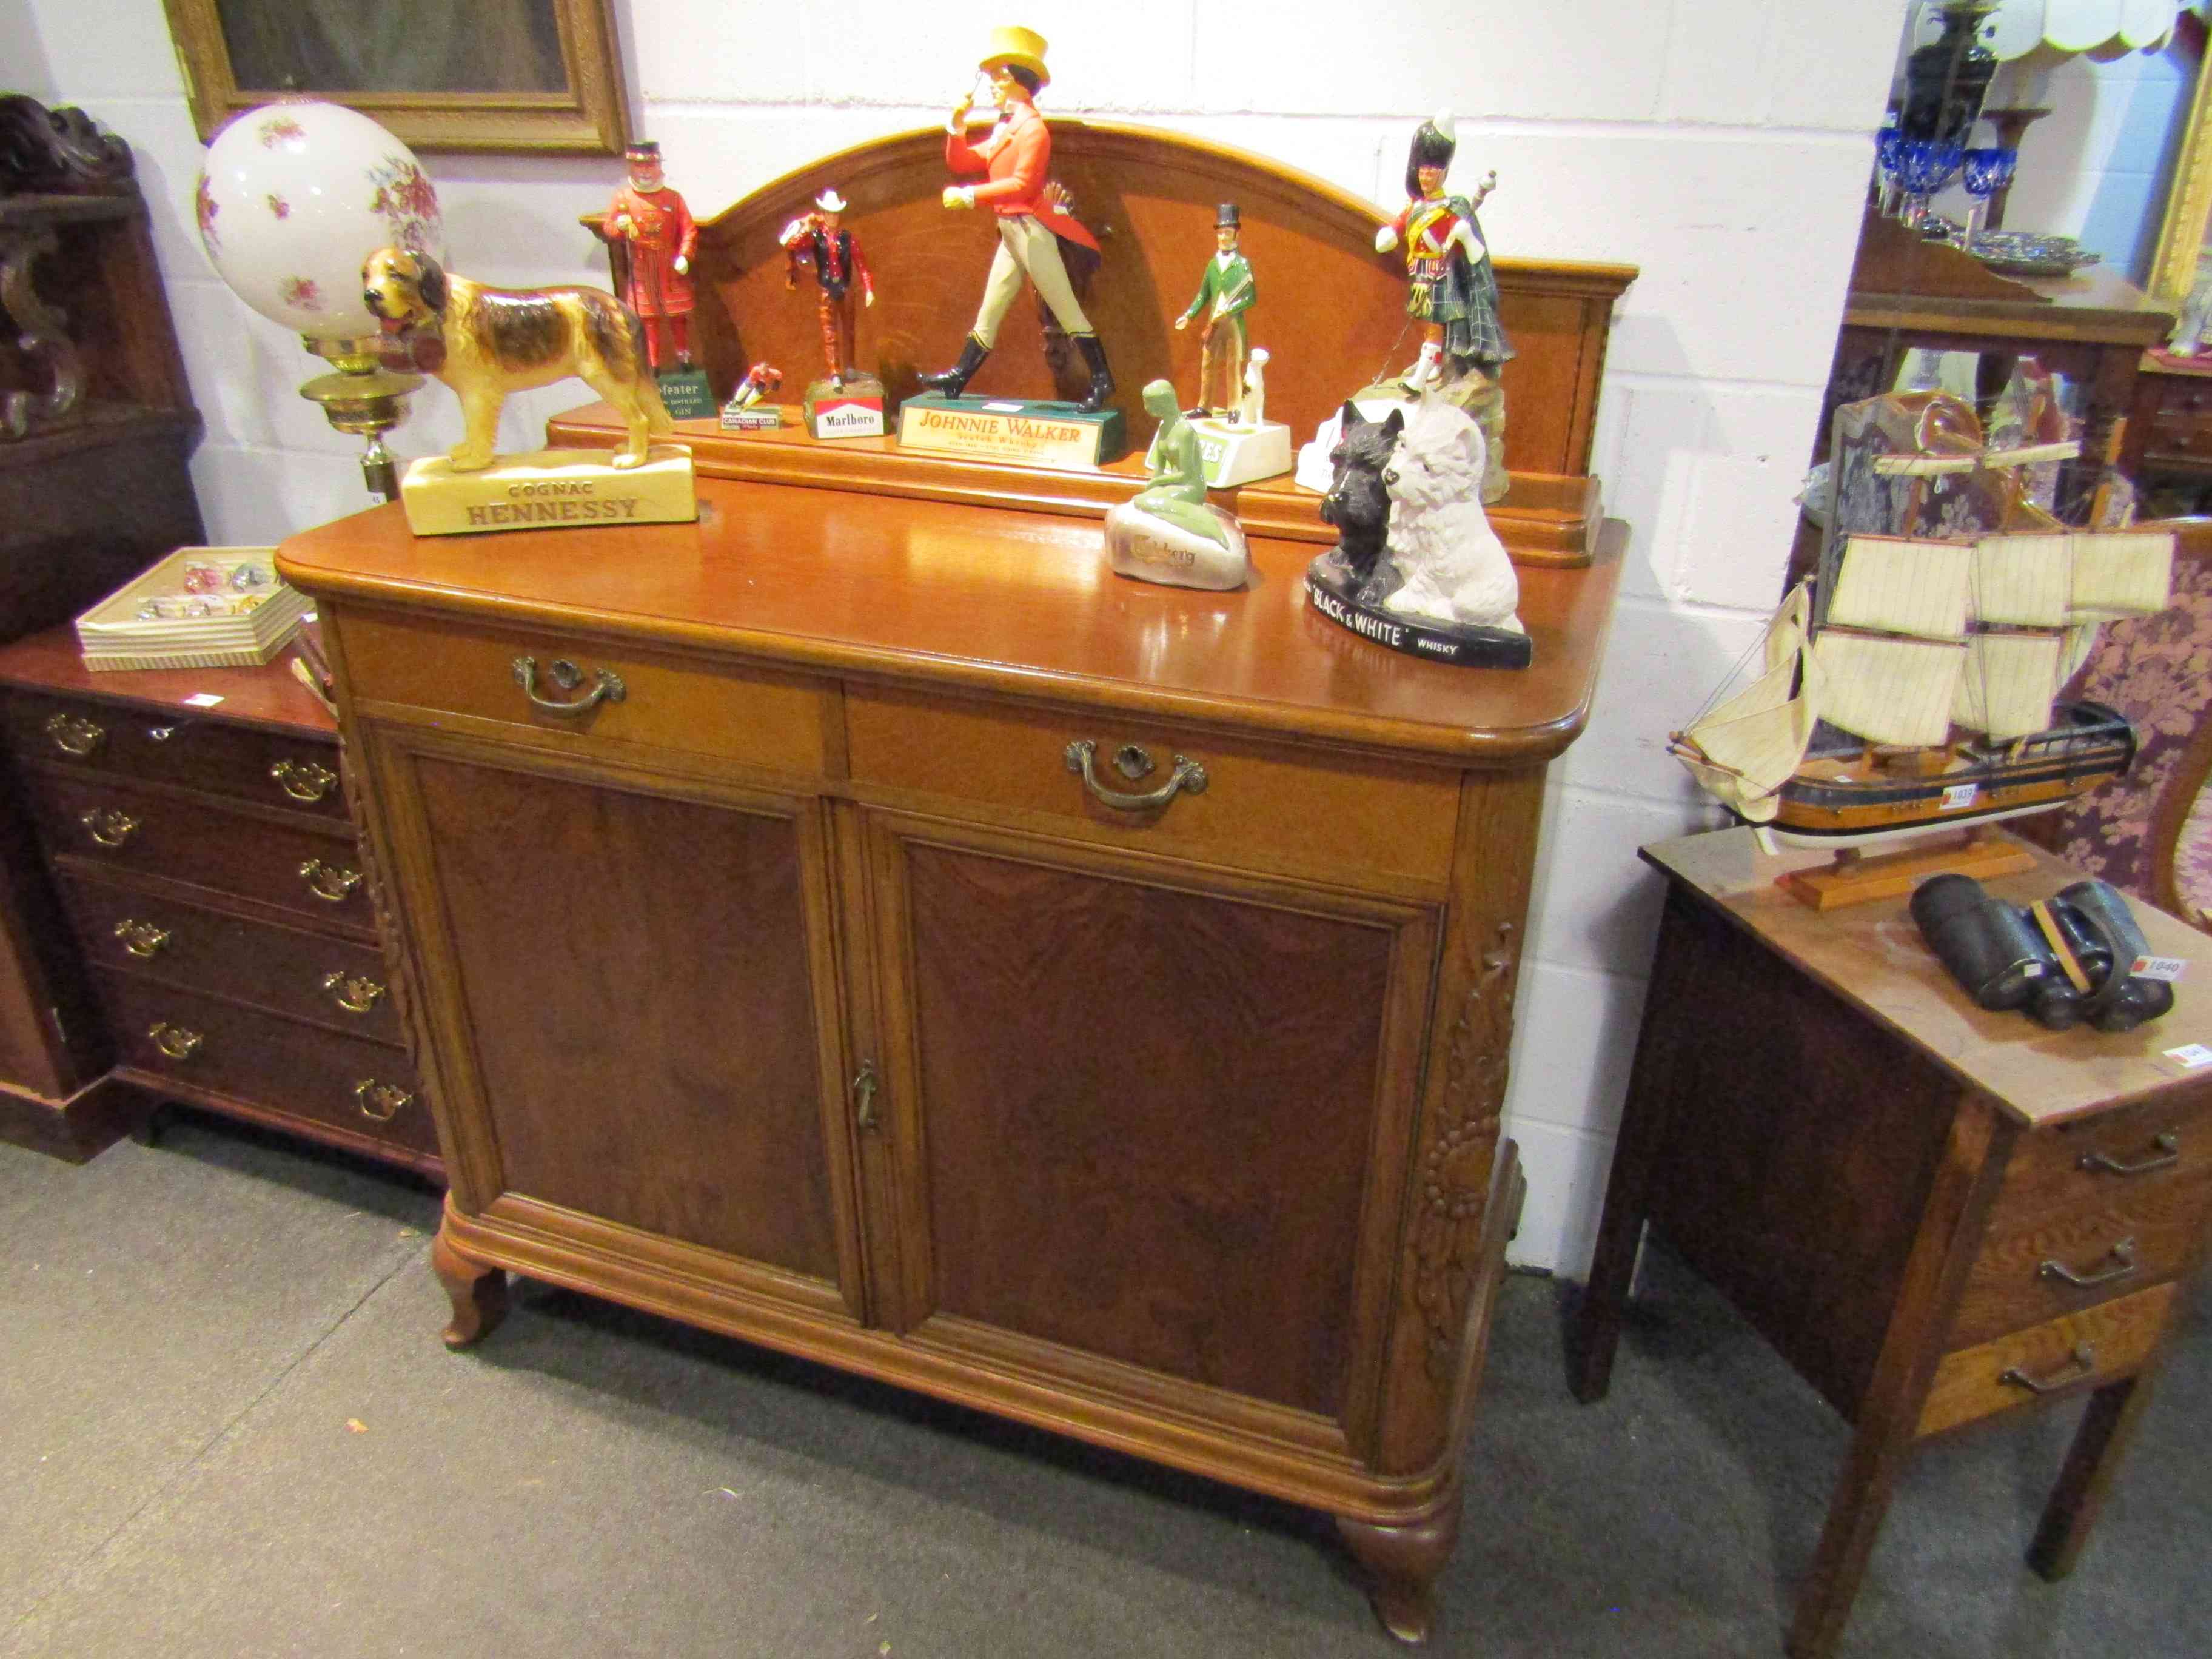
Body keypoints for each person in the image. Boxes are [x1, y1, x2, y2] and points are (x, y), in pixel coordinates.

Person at [919, 26, 1114, 412]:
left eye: (1001, 77)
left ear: (1021, 83)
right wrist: (956, 126)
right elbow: (961, 162)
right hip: (1010, 233)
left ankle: (1103, 378)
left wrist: (970, 195)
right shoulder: (1005, 129)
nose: (993, 84)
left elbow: (1024, 185)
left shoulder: (1033, 131)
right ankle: (959, 376)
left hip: (1030, 231)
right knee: (990, 310)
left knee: (1066, 309)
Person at [1374, 113, 1511, 390]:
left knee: (1435, 324)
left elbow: (1475, 254)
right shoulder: (1414, 207)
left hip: (1441, 273)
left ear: (1443, 173)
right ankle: (1434, 361)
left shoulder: (1453, 206)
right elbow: (1397, 228)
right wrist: (1389, 234)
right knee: (1424, 323)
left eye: (1431, 172)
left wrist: (1465, 234)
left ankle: (1420, 377)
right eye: (1422, 172)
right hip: (1418, 271)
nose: (1425, 177)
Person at [603, 140, 697, 372]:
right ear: (631, 167)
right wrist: (619, 226)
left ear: (658, 166)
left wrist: (685, 255)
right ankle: (653, 365)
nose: (645, 171)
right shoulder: (623, 198)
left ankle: (684, 359)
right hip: (642, 265)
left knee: (678, 316)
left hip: (669, 264)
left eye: (649, 166)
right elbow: (609, 228)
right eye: (639, 166)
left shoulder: (673, 198)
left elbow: (689, 230)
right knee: (648, 320)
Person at [779, 188, 875, 388]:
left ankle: (850, 367)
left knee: (849, 330)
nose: (832, 217)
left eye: (835, 213)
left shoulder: (848, 238)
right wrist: (806, 226)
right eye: (829, 213)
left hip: (846, 288)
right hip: (826, 289)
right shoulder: (815, 237)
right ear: (823, 214)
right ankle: (835, 372)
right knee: (830, 333)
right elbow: (792, 244)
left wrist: (869, 289)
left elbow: (862, 265)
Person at [1175, 203, 1255, 418]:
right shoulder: (1213, 265)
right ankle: (1205, 406)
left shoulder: (1242, 265)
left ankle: (1234, 407)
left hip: (1232, 324)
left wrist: (1230, 308)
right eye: (1220, 233)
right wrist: (1189, 315)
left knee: (1233, 366)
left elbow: (1250, 297)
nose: (1222, 237)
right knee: (1207, 364)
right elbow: (1203, 294)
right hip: (1214, 322)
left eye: (1227, 233)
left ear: (1236, 234)